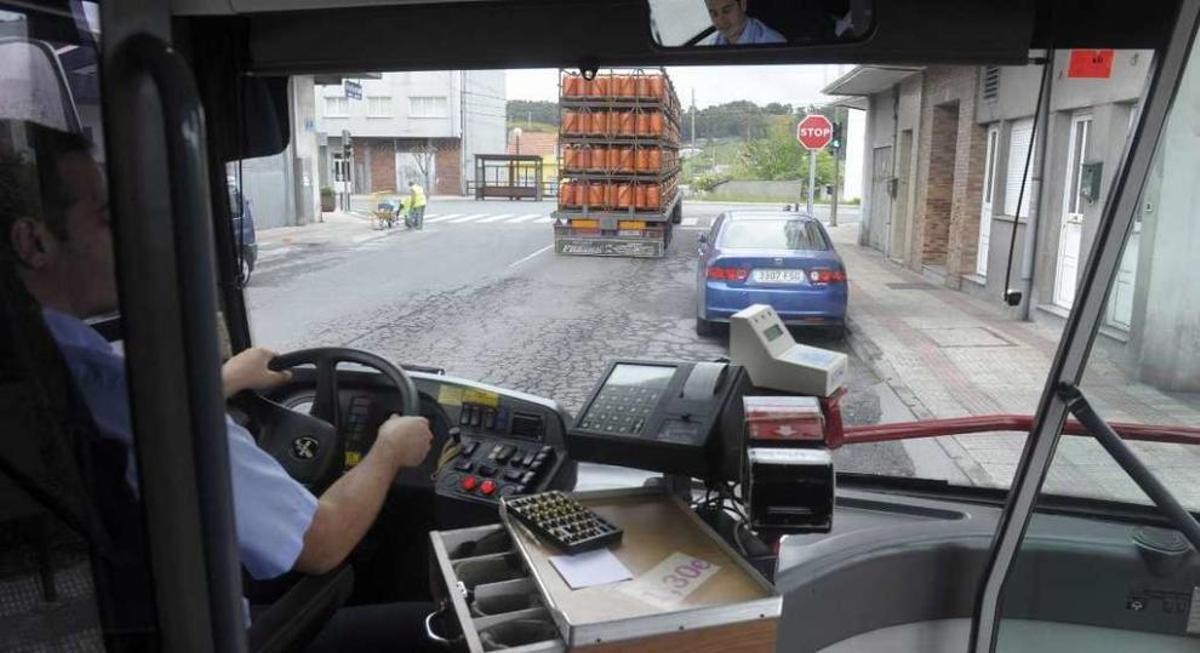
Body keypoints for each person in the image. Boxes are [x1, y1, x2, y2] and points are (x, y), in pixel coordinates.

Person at [2, 124, 439, 652]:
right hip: (208, 635)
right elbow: (322, 542)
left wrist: (224, 380)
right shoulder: (127, 399)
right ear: (34, 241)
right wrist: (390, 450)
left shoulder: (42, 370)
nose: (133, 234)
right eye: (108, 217)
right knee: (441, 628)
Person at [701, 0, 785, 46]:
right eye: (714, 14)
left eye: (726, 11)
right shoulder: (712, 44)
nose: (721, 21)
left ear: (743, 4)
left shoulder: (772, 44)